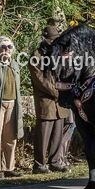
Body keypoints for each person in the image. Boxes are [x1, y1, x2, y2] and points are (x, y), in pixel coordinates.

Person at [28, 24, 72, 173]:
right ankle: (39, 164)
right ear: (44, 39)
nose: (54, 43)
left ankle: (55, 162)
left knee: (57, 134)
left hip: (60, 103)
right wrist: (58, 92)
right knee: (43, 135)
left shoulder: (59, 54)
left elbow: (66, 73)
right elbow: (40, 80)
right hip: (46, 101)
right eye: (51, 40)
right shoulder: (36, 56)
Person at [0, 37, 24, 178]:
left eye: (9, 47)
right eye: (3, 46)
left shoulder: (14, 64)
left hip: (13, 104)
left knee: (11, 137)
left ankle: (9, 167)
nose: (7, 49)